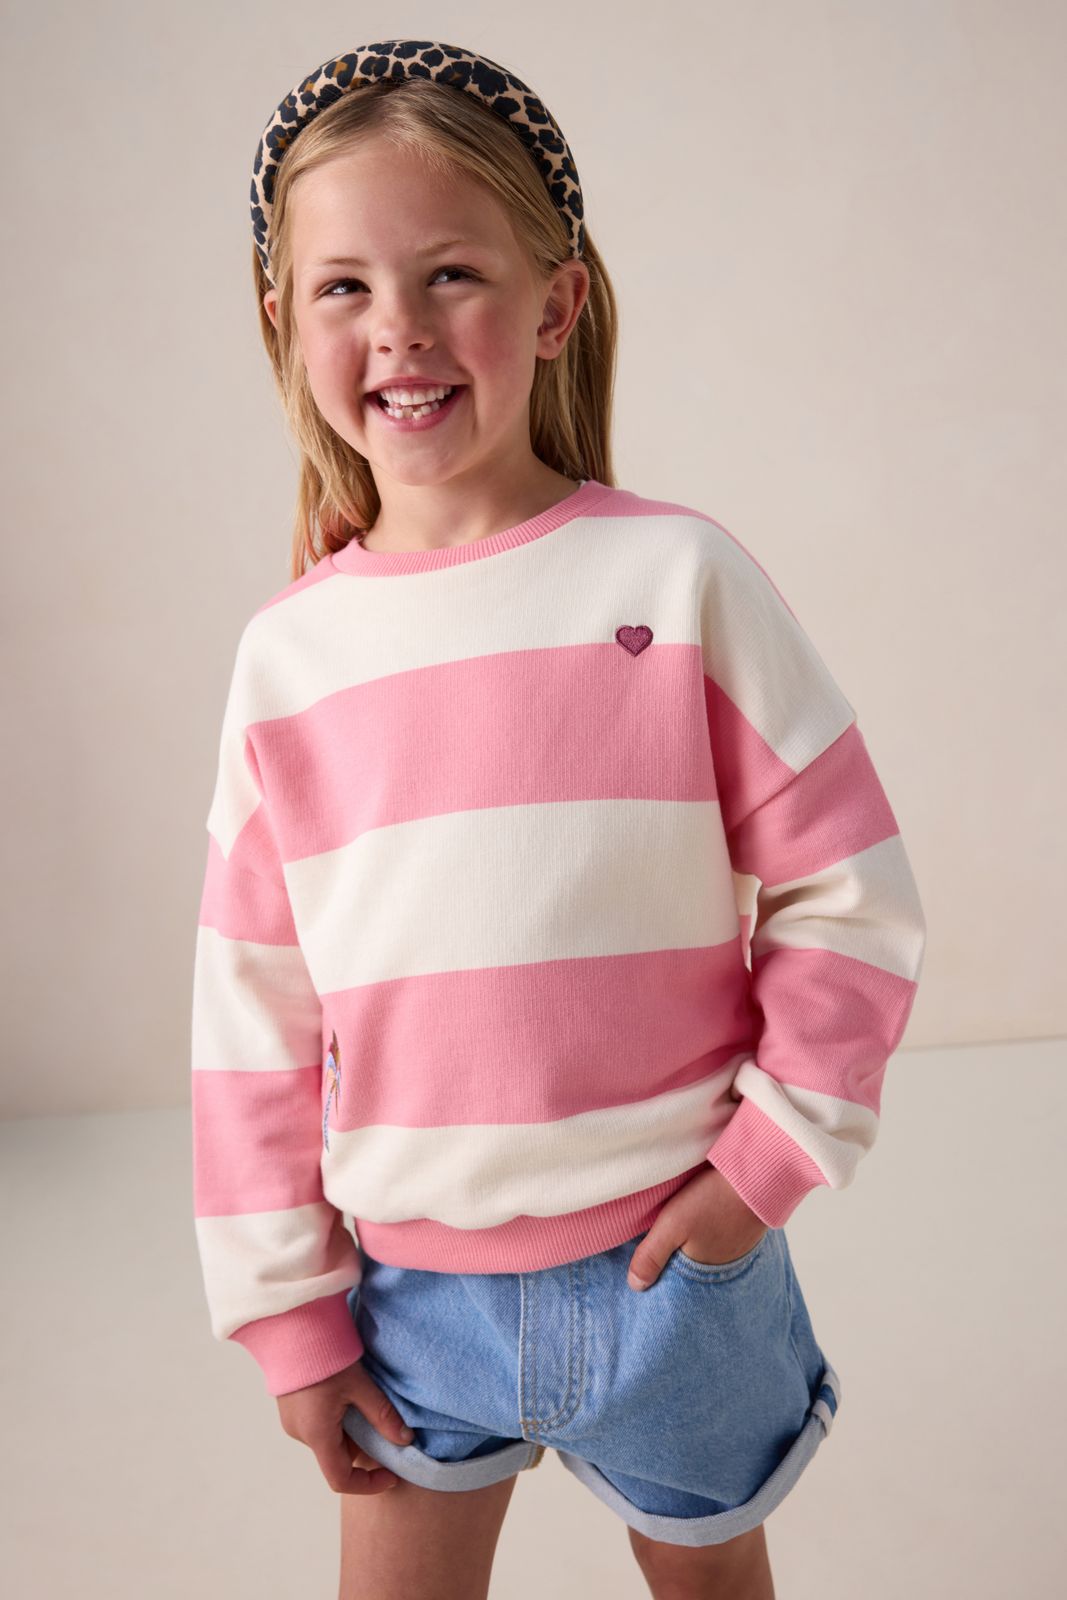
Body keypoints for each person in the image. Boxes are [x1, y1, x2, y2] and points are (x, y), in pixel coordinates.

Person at [191, 40, 927, 1600]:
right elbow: (251, 1016)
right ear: (283, 321)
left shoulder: (677, 581)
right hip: (413, 1302)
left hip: (683, 1277)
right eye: (344, 287)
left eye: (450, 272)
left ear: (556, 301)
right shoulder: (288, 661)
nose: (399, 327)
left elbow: (848, 888)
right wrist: (286, 1315)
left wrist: (765, 1168)